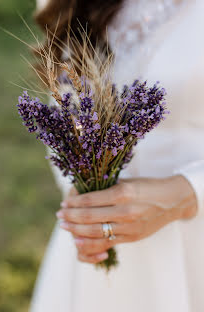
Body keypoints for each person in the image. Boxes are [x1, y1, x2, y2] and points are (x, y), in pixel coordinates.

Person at [30, 0, 204, 311]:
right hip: (94, 243)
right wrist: (86, 193)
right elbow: (62, 110)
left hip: (194, 243)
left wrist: (189, 193)